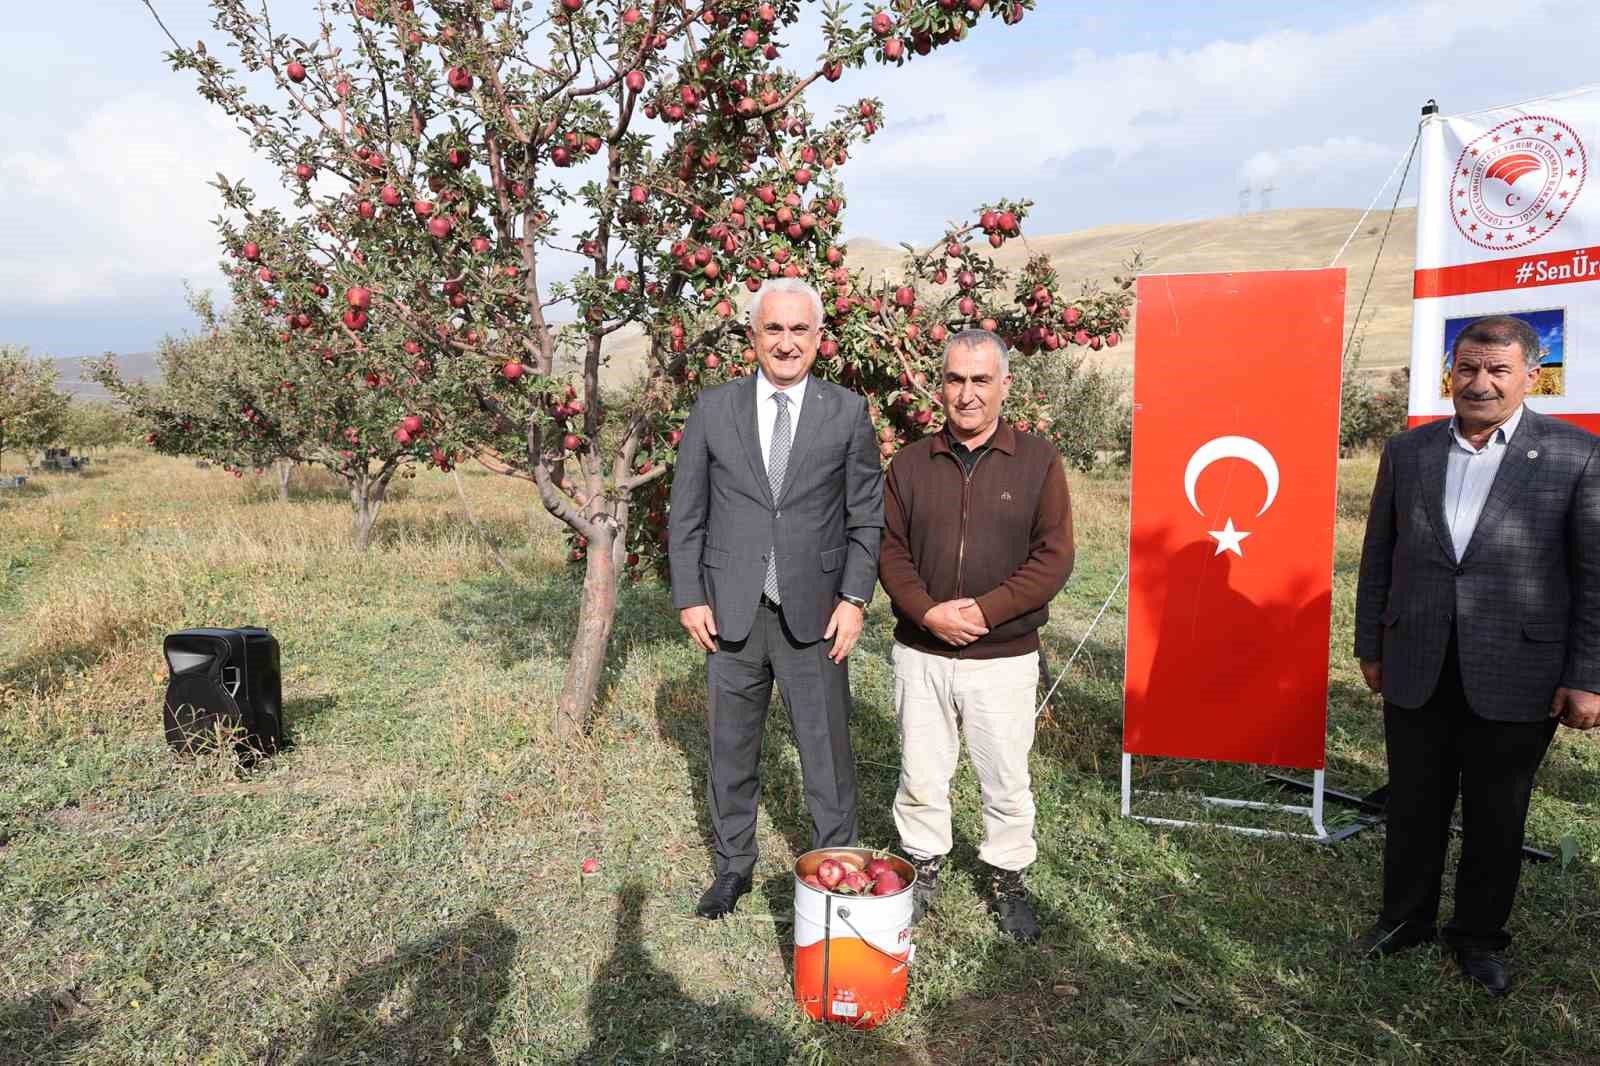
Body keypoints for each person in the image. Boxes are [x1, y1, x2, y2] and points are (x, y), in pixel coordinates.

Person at [1353, 313, 1600, 995]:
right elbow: (1379, 555)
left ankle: (1480, 940)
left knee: (1497, 815)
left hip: (1519, 670)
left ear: (1530, 375)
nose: (1480, 383)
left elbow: (1593, 578)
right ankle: (1405, 922)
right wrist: (1368, 643)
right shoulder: (1411, 451)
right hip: (1416, 660)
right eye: (1467, 367)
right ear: (1449, 371)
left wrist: (1588, 676)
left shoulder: (1575, 455)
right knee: (1413, 805)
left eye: (1497, 370)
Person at [668, 278, 884, 919]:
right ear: (753, 337)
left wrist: (853, 598)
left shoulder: (846, 412)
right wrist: (688, 595)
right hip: (730, 611)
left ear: (819, 338)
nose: (786, 343)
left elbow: (865, 516)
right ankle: (734, 866)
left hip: (817, 614)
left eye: (799, 330)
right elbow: (688, 512)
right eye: (773, 330)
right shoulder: (713, 409)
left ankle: (835, 870)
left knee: (826, 751)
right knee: (731, 747)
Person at [877, 329, 1074, 942]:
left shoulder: (1039, 462)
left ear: (1004, 385)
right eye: (955, 379)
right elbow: (889, 552)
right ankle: (925, 865)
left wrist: (984, 612)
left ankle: (1007, 877)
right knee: (922, 770)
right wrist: (928, 612)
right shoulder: (910, 463)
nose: (967, 394)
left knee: (1006, 776)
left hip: (1003, 657)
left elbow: (1053, 559)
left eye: (980, 380)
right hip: (922, 650)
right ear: (940, 385)